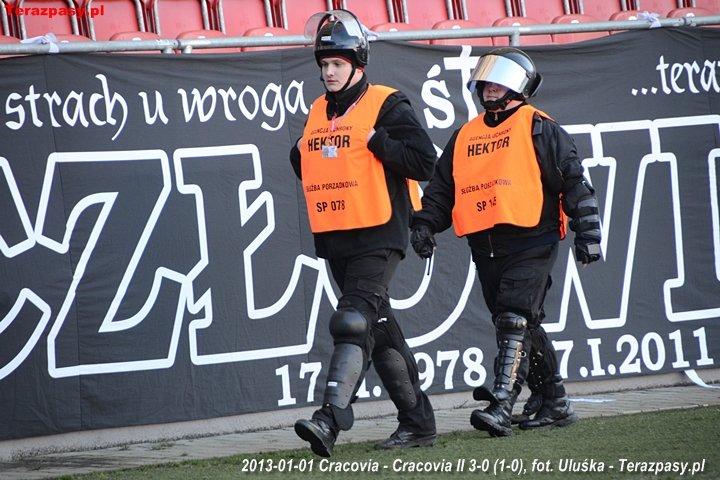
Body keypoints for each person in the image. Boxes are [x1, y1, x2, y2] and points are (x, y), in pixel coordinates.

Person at [410, 47, 602, 437]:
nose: (490, 87)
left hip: (533, 239)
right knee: (521, 322)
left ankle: (501, 404)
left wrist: (589, 233)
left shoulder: (539, 127)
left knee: (514, 318)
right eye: (486, 81)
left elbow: (573, 180)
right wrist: (425, 225)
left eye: (498, 81)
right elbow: (442, 190)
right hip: (486, 246)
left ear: (518, 86)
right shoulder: (465, 135)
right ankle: (554, 401)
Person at [289, 9, 437, 457]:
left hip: (379, 233)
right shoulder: (318, 110)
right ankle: (418, 423)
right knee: (380, 330)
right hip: (337, 236)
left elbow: (424, 162)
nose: (328, 72)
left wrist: (377, 141)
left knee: (352, 321)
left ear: (357, 64)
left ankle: (329, 419)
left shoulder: (388, 103)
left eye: (337, 63)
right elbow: (307, 162)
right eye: (324, 64)